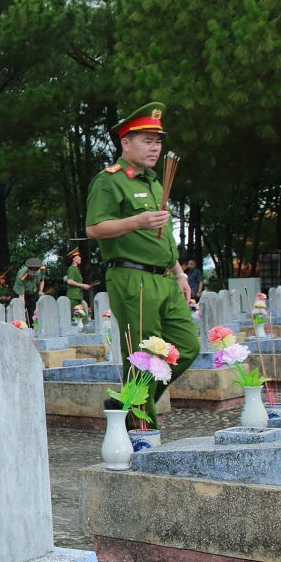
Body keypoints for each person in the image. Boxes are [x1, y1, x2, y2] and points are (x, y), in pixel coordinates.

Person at [85, 101, 199, 411]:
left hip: (165, 278)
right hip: (132, 277)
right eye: (147, 140)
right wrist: (137, 221)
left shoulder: (153, 182)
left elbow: (161, 238)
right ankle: (140, 430)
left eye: (158, 141)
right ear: (126, 143)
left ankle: (128, 402)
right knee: (146, 355)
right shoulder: (110, 180)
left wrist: (179, 273)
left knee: (186, 348)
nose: (155, 148)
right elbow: (94, 228)